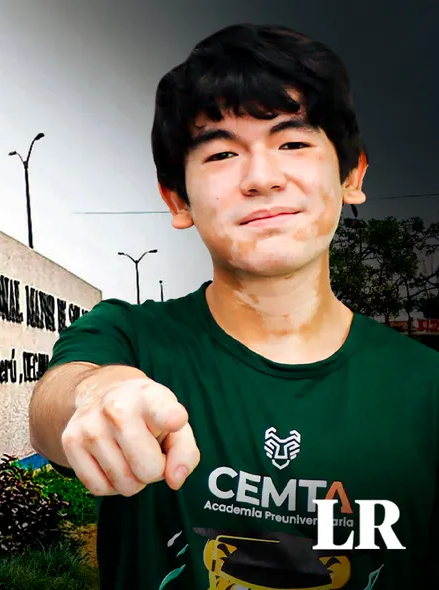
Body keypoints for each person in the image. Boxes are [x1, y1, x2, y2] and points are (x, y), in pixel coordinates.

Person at [28, 23, 438, 589]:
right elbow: (58, 400)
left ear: (351, 174)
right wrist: (101, 396)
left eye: (293, 142)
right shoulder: (132, 337)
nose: (262, 178)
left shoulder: (427, 386)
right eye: (221, 153)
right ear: (177, 198)